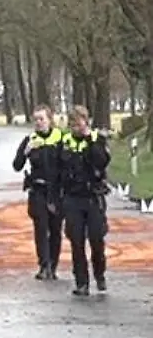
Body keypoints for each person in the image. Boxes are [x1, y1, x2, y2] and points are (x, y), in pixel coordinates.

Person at [58, 104, 112, 295]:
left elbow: (102, 161)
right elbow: (58, 171)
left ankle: (100, 274)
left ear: (86, 122)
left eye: (79, 124)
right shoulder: (64, 142)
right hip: (72, 198)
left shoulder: (97, 140)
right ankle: (81, 282)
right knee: (76, 241)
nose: (76, 128)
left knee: (97, 239)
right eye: (73, 124)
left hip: (93, 197)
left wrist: (90, 140)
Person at [11, 105, 67, 281]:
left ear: (50, 120)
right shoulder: (30, 139)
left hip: (56, 190)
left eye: (42, 119)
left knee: (55, 229)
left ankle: (53, 265)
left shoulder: (60, 138)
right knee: (40, 228)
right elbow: (16, 165)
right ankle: (44, 265)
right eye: (36, 119)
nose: (39, 123)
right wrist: (26, 151)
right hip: (38, 190)